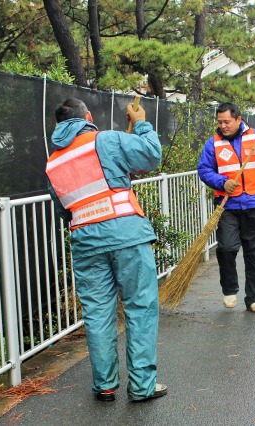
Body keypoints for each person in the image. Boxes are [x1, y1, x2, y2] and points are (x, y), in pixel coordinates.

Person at [45, 98, 166, 402]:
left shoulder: (54, 162)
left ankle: (105, 385)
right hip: (126, 235)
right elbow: (151, 155)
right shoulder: (106, 139)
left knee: (98, 314)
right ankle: (141, 387)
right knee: (140, 308)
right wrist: (140, 123)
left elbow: (64, 211)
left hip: (85, 242)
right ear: (87, 117)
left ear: (59, 127)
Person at [197, 102, 255, 313]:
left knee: (254, 253)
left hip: (254, 203)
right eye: (220, 122)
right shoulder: (213, 144)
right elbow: (204, 170)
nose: (223, 125)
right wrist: (222, 182)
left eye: (227, 121)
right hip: (227, 205)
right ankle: (229, 289)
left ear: (239, 119)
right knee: (226, 248)